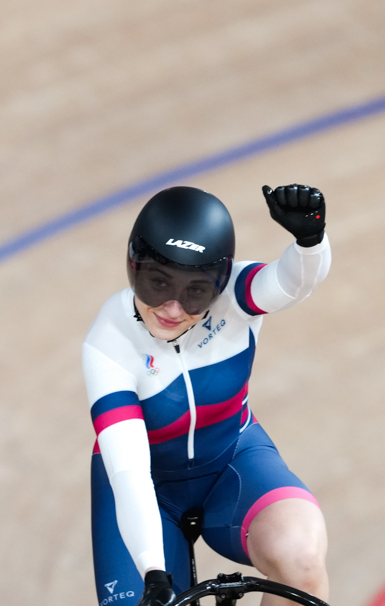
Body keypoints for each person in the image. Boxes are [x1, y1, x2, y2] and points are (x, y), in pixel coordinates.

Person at [84, 183, 331, 606]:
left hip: (233, 461)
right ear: (132, 266)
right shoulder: (109, 341)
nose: (172, 309)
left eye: (195, 291)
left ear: (219, 283)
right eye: (156, 284)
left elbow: (292, 283)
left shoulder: (234, 297)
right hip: (147, 487)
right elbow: (129, 475)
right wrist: (154, 572)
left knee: (302, 561)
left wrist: (309, 243)